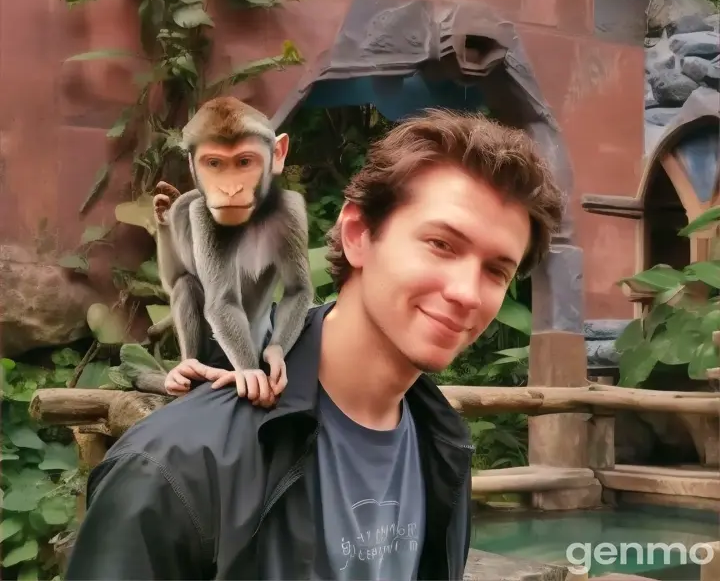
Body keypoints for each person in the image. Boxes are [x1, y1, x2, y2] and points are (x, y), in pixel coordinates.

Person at [65, 108, 564, 581]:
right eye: (441, 244)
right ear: (357, 235)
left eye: (496, 270)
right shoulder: (174, 468)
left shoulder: (441, 442)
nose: (465, 293)